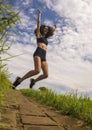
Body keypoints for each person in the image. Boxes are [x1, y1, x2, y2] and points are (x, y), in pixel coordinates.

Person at [13, 9, 57, 89]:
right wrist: (39, 15)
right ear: (42, 29)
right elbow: (38, 23)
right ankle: (19, 81)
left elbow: (53, 33)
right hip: (38, 52)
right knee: (37, 70)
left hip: (44, 55)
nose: (46, 29)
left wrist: (55, 28)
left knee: (46, 75)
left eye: (47, 29)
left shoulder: (46, 38)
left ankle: (34, 81)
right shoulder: (39, 35)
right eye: (45, 28)